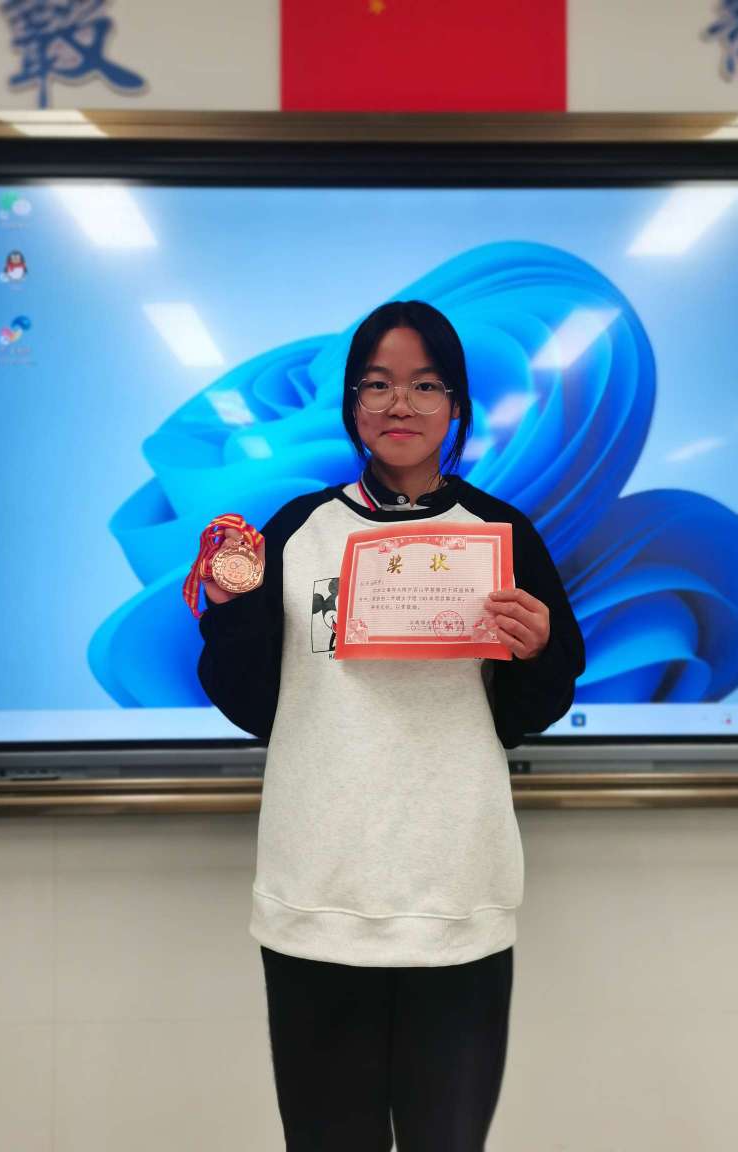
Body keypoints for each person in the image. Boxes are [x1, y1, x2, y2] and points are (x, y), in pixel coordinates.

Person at [196, 300, 585, 1151]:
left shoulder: (501, 533)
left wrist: (537, 651)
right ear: (350, 403)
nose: (399, 404)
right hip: (317, 897)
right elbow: (255, 704)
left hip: (457, 898)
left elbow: (528, 712)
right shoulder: (299, 530)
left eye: (425, 385)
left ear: (457, 406)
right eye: (376, 384)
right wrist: (229, 613)